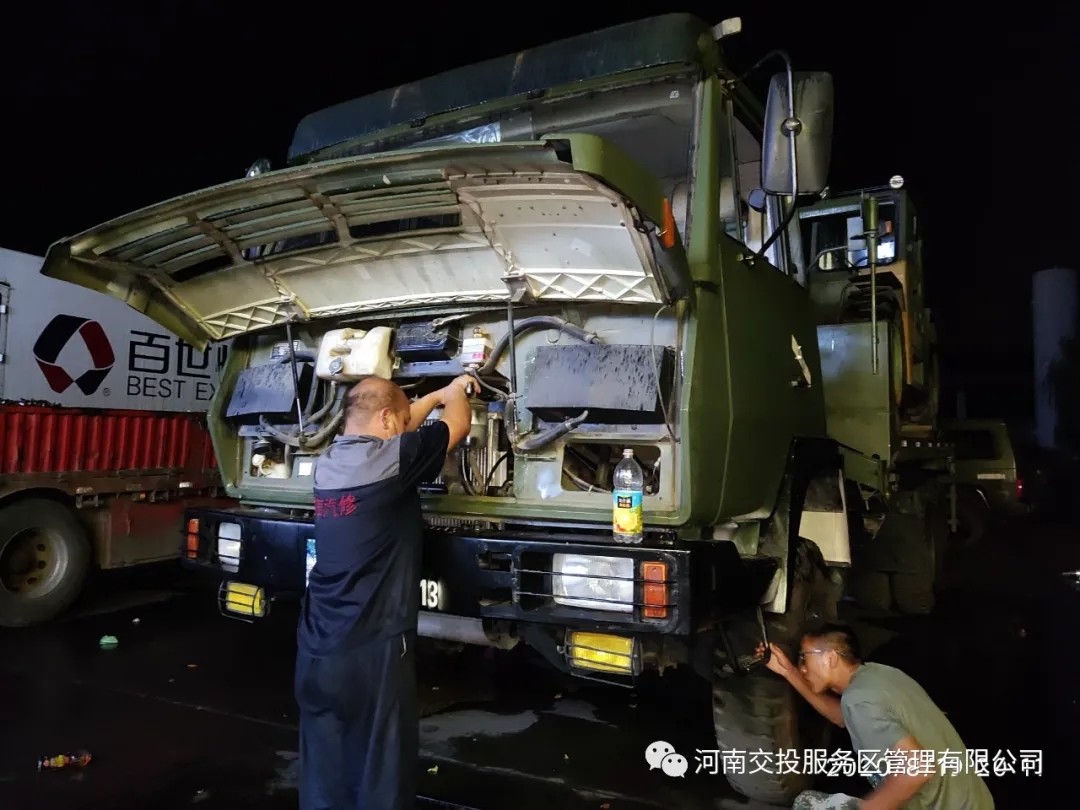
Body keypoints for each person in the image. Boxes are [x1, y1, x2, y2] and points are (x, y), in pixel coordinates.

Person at [294, 373, 474, 810]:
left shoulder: (328, 462)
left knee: (325, 765)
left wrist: (430, 395)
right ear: (388, 419)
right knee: (380, 771)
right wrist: (454, 393)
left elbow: (400, 424)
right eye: (400, 419)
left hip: (317, 645)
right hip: (371, 649)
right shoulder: (393, 461)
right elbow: (459, 425)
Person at [758, 622, 995, 810]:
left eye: (804, 657)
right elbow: (842, 716)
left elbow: (918, 768)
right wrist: (789, 672)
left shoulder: (859, 700)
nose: (802, 667)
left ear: (830, 658)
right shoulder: (878, 675)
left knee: (806, 804)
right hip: (975, 802)